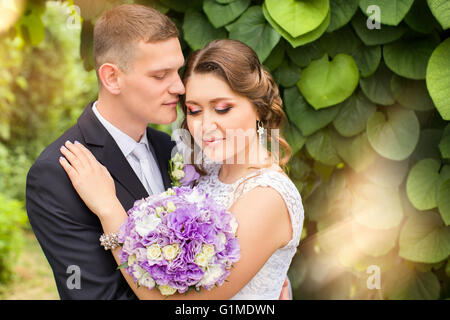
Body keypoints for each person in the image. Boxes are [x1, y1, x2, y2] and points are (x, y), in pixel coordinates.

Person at [26, 4, 292, 299]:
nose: (179, 87)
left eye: (177, 71)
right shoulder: (58, 172)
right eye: (160, 75)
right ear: (112, 77)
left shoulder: (174, 151)